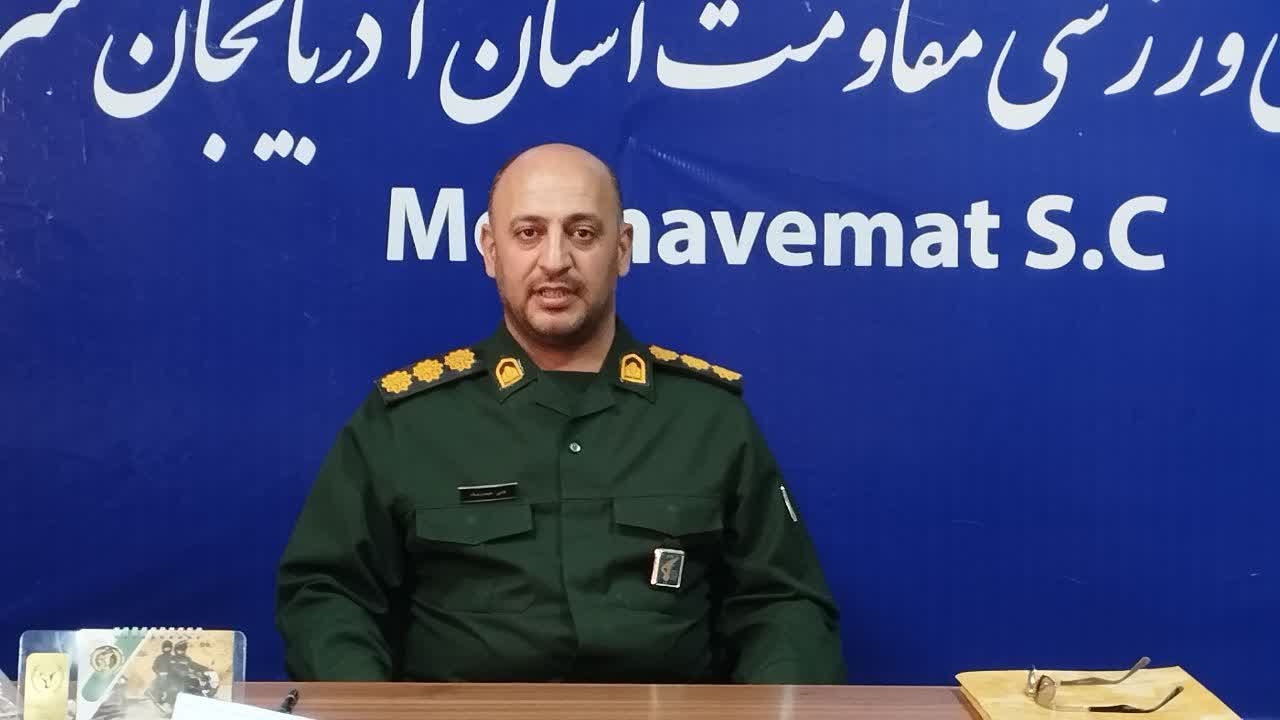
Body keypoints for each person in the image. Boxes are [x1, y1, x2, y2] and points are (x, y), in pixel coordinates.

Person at [275, 143, 845, 684]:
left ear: (622, 248)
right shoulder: (407, 421)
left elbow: (782, 603)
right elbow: (327, 592)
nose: (555, 261)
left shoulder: (708, 418)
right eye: (528, 233)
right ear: (490, 249)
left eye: (582, 233)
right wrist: (370, 709)